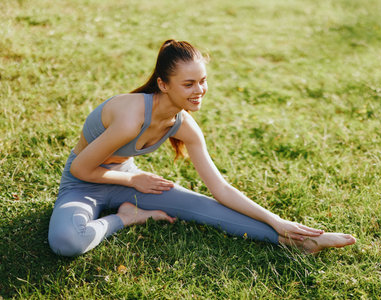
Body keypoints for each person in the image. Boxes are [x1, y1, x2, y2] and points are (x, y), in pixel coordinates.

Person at [48, 39, 356, 257]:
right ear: (163, 84)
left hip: (129, 179)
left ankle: (299, 242)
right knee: (67, 242)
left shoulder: (184, 125)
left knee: (205, 208)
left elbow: (220, 189)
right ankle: (127, 217)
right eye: (188, 84)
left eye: (202, 81)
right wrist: (132, 180)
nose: (199, 92)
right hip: (83, 185)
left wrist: (274, 220)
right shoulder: (130, 117)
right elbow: (81, 168)